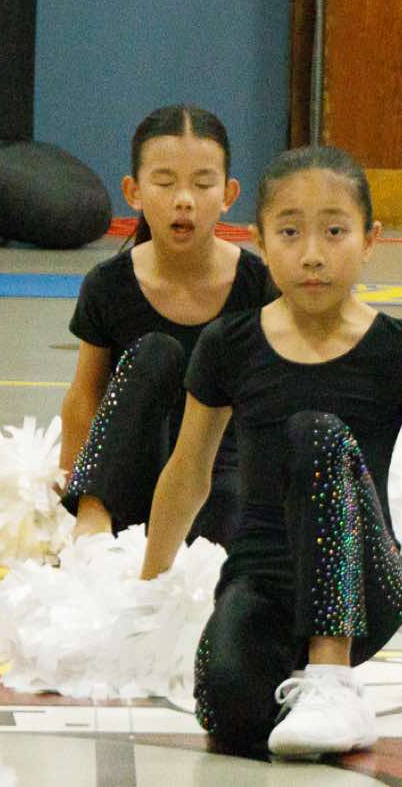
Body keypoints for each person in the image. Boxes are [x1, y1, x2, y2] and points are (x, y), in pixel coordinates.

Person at [139, 145, 402, 759]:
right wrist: (146, 592)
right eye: (290, 233)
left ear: (369, 240)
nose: (312, 254)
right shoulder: (229, 344)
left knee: (314, 433)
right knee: (229, 713)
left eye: (334, 232)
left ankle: (332, 675)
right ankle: (293, 671)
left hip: (366, 584)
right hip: (264, 579)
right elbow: (187, 473)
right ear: (259, 241)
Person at [58, 105, 273, 543]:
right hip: (130, 475)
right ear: (133, 191)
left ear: (229, 193)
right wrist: (70, 501)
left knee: (222, 529)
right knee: (156, 351)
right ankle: (94, 522)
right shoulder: (108, 284)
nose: (184, 199)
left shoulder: (259, 286)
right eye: (165, 182)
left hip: (217, 476)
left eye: (203, 183)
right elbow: (84, 398)